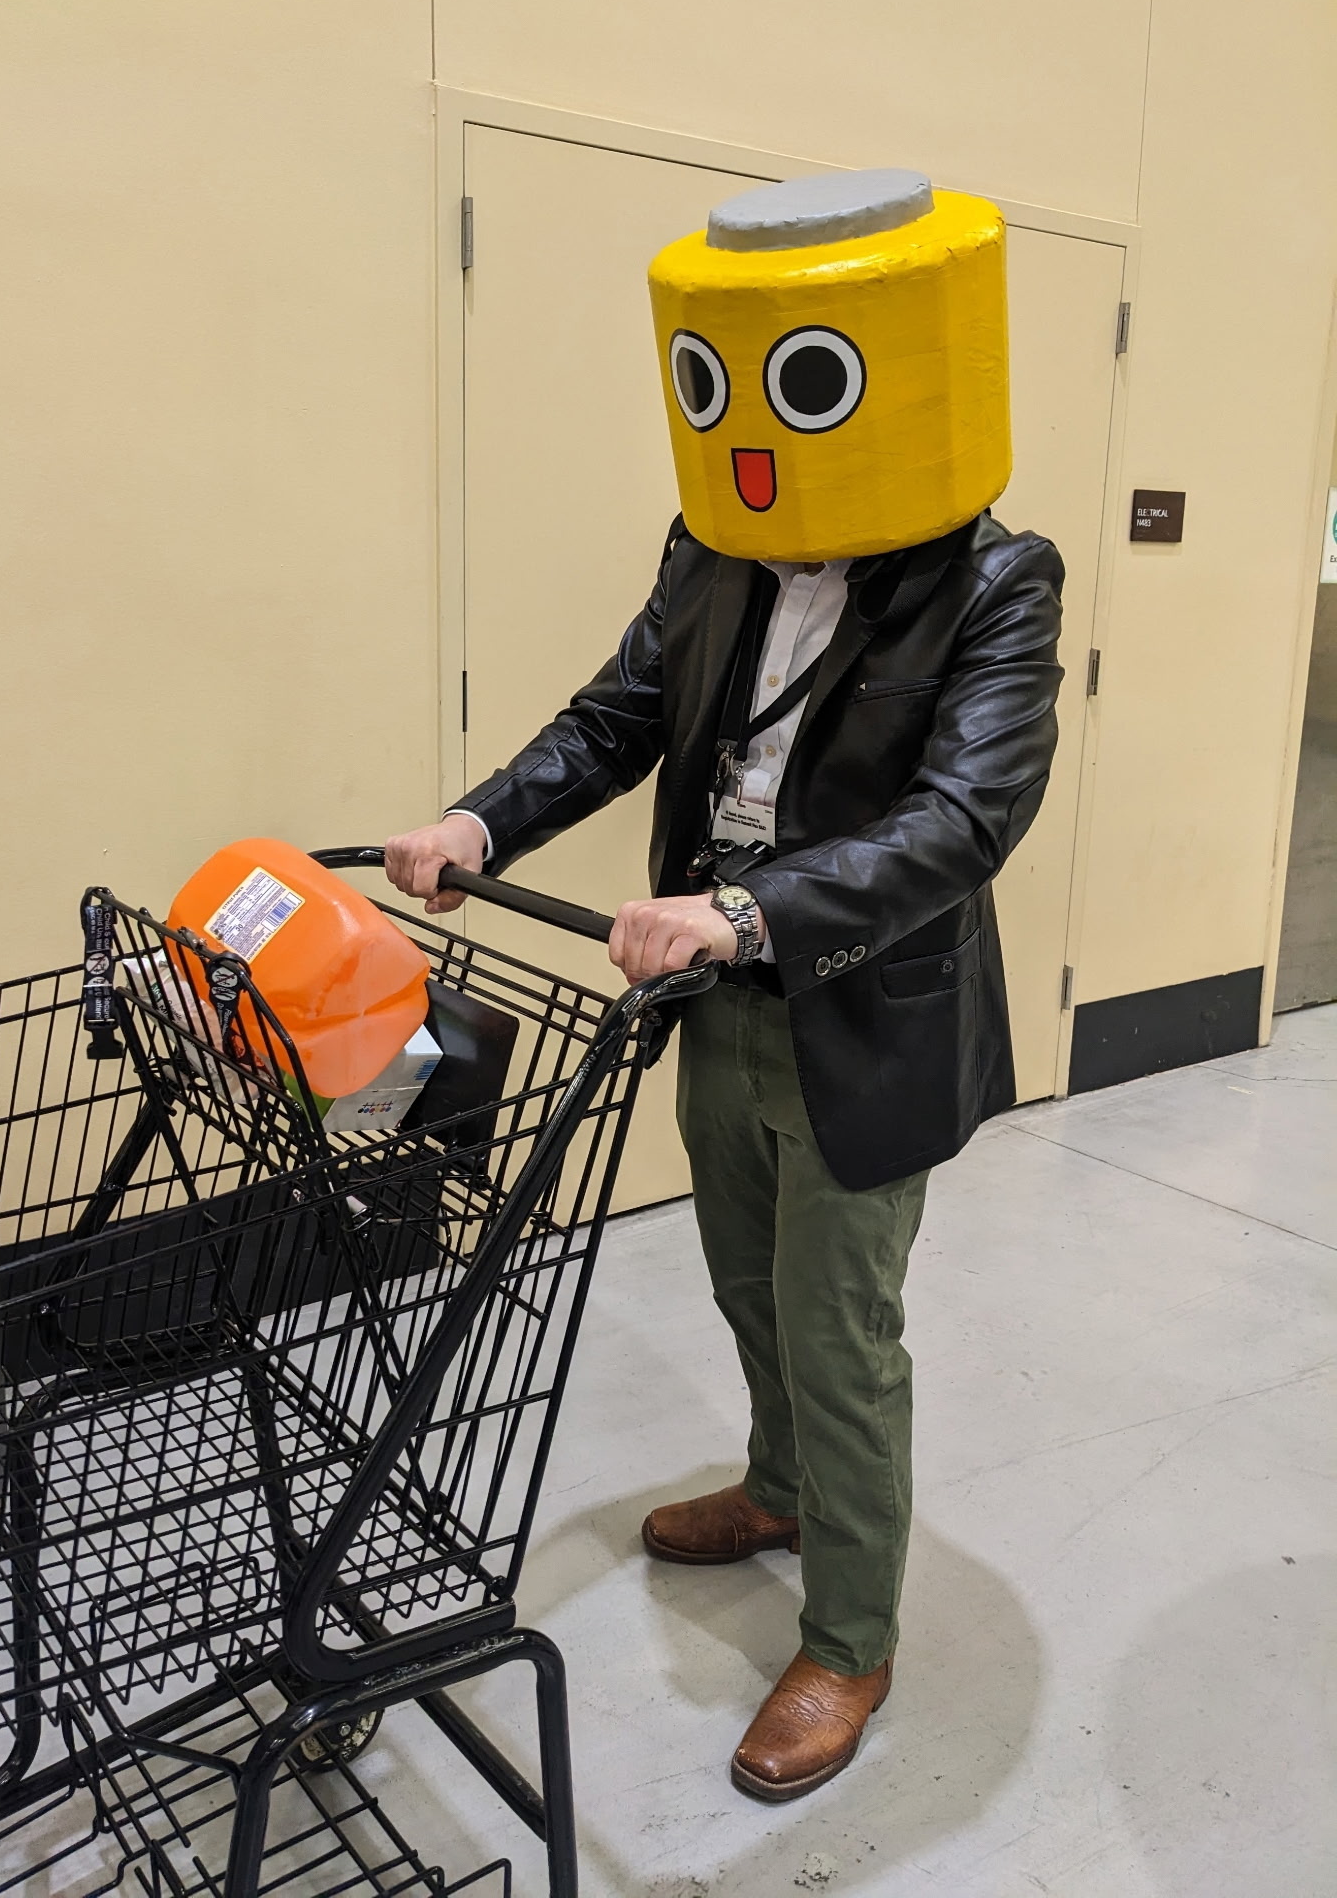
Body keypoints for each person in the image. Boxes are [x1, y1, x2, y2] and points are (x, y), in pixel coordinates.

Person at [386, 170, 1063, 1802]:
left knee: (840, 1330)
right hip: (717, 1008)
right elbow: (617, 717)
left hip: (859, 1013)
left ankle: (850, 1637)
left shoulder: (993, 582)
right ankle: (778, 1486)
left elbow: (963, 821)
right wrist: (480, 820)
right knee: (747, 1283)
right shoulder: (715, 548)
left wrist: (749, 910)